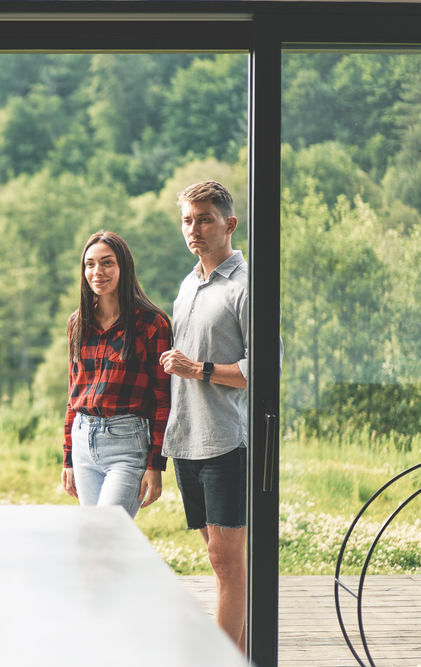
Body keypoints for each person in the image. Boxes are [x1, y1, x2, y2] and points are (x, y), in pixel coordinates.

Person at [159, 180, 249, 650]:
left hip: (227, 441)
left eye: (204, 219)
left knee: (226, 562)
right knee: (219, 563)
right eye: (187, 220)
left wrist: (200, 369)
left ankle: (224, 659)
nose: (193, 229)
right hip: (187, 439)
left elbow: (263, 371)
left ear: (229, 224)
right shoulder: (188, 283)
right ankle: (244, 652)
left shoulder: (247, 286)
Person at [60, 231, 172, 518]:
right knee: (95, 541)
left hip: (126, 443)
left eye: (107, 263)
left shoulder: (152, 324)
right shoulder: (77, 323)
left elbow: (162, 398)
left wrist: (155, 464)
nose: (98, 272)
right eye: (90, 264)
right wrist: (69, 458)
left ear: (124, 268)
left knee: (108, 537)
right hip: (83, 439)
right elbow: (74, 393)